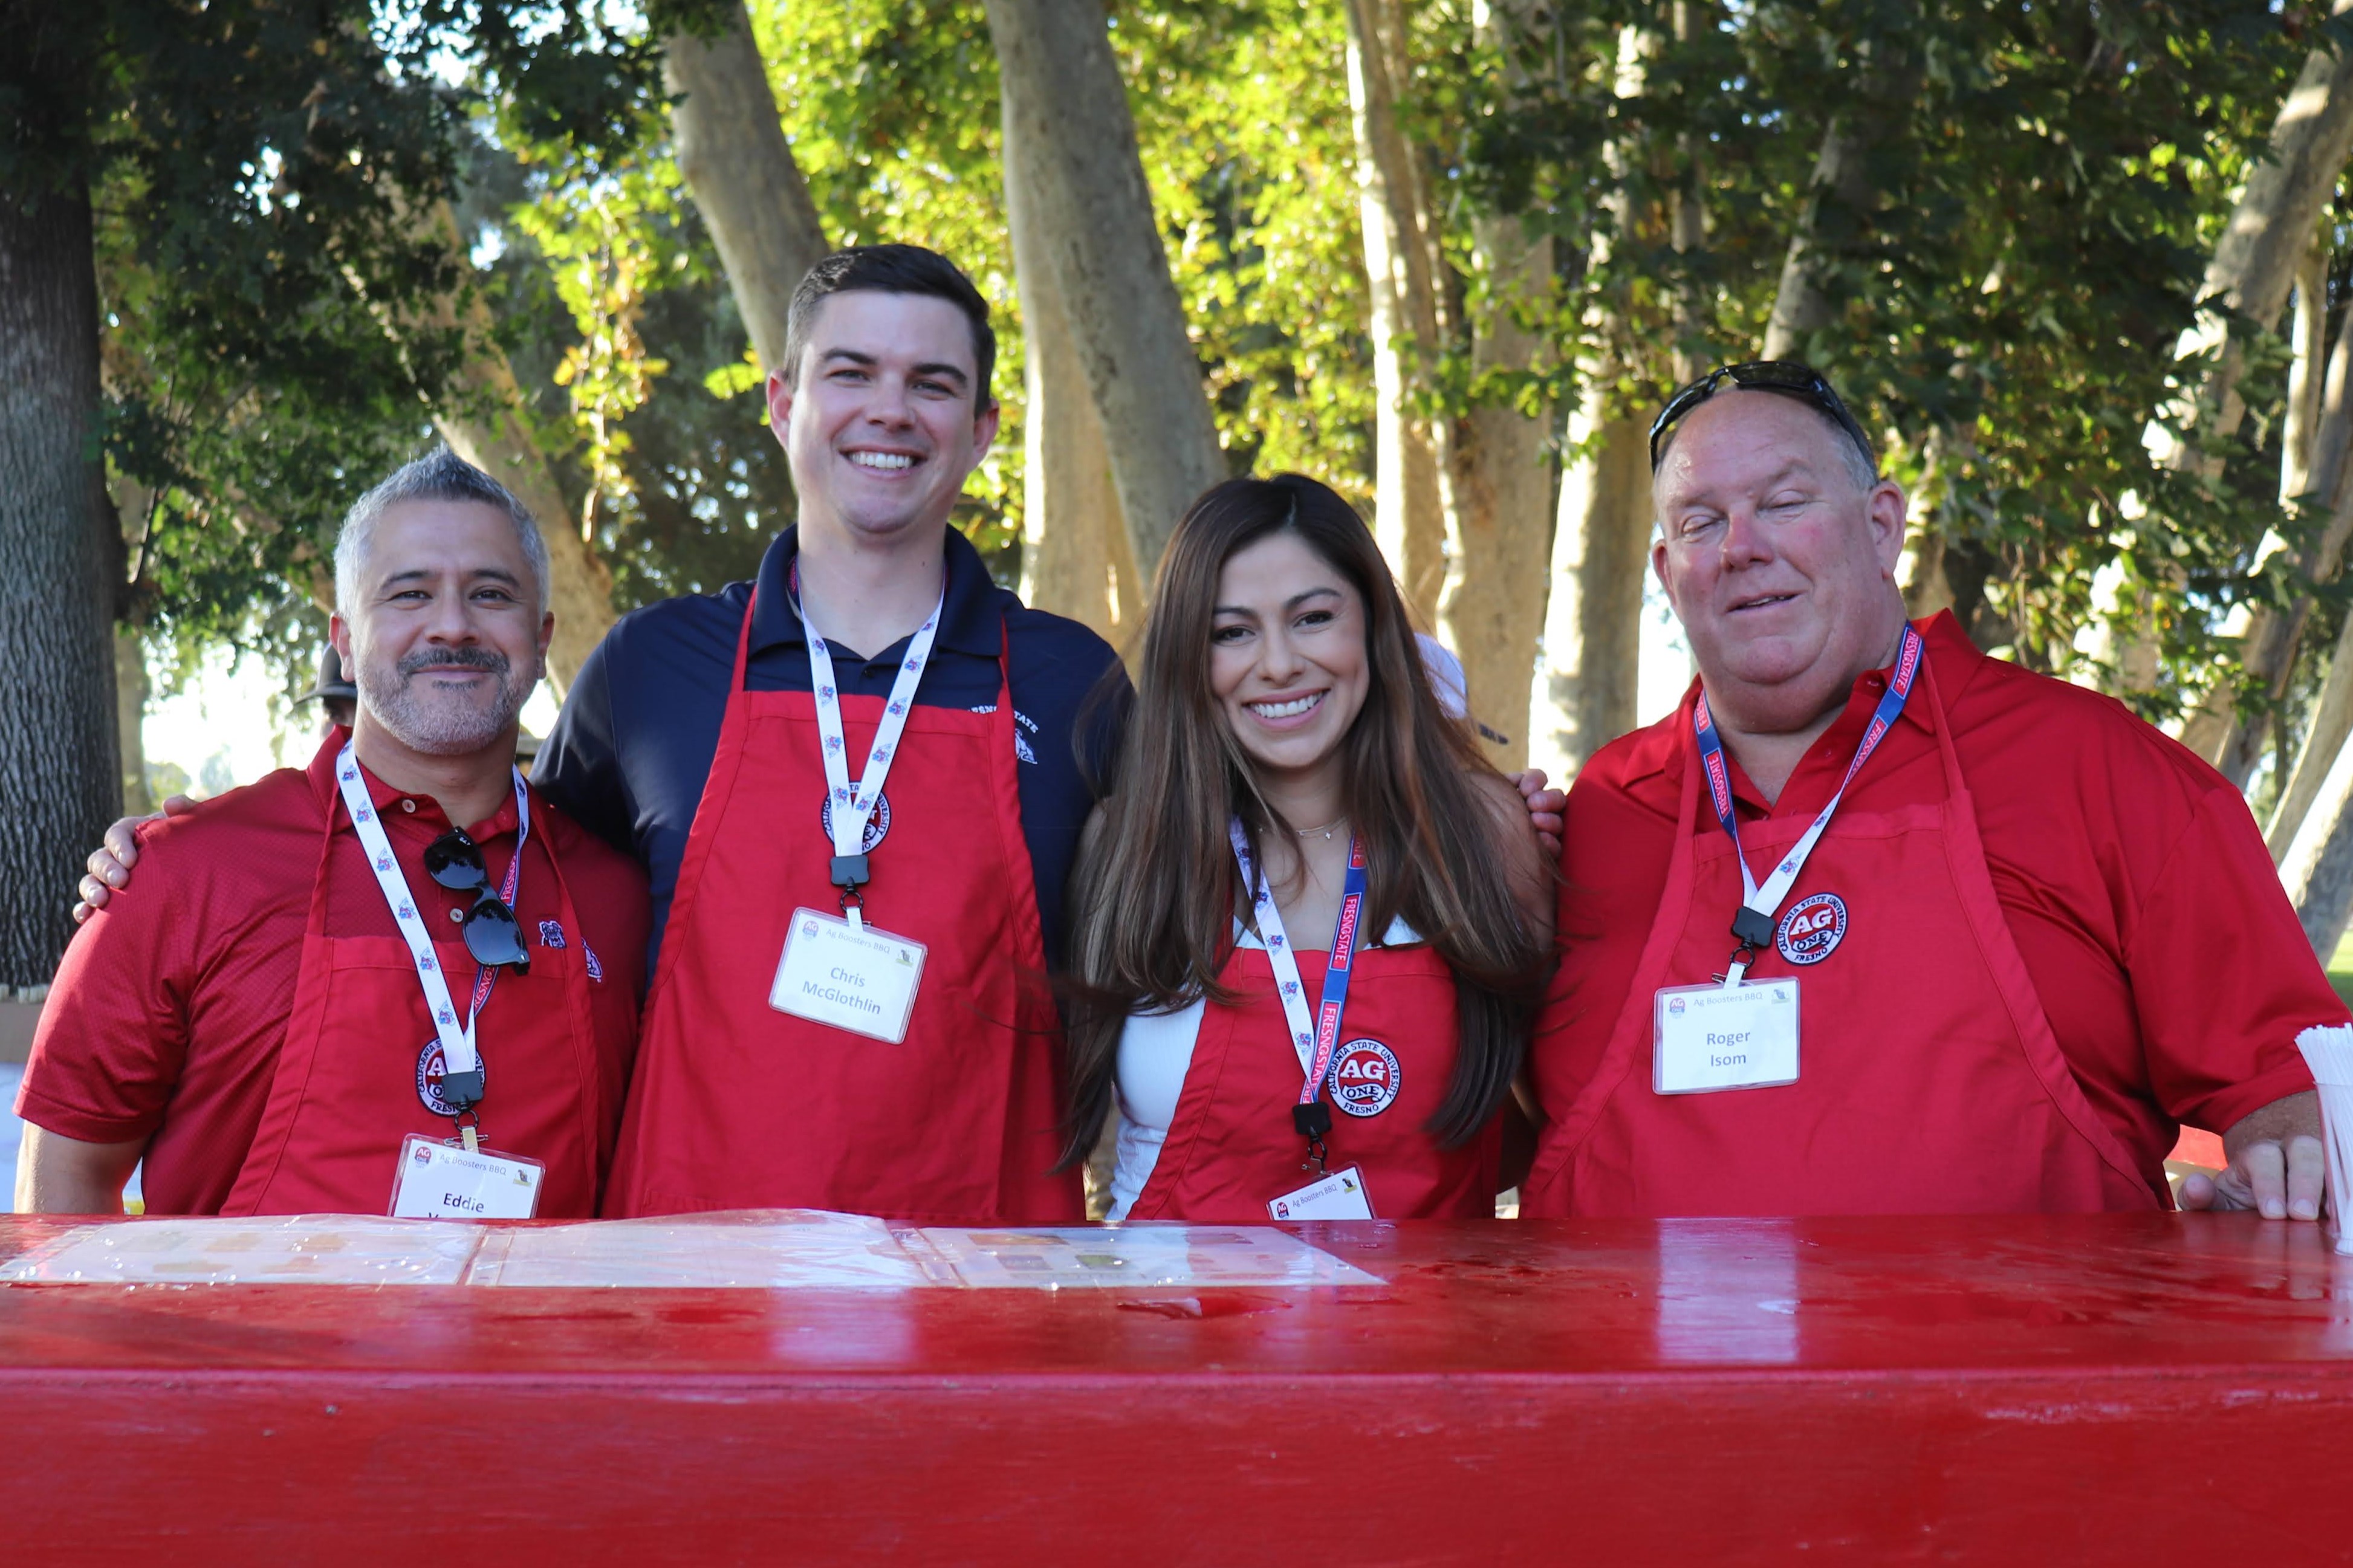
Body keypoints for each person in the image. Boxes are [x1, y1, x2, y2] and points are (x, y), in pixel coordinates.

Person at [74, 244, 1565, 1224]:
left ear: (982, 430)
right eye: (850, 373)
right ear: (784, 403)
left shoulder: (1073, 683)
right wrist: (190, 853)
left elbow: (1261, 812)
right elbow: (503, 864)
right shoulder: (651, 667)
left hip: (985, 1300)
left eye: (933, 383)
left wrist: (1491, 807)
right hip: (683, 1304)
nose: (887, 411)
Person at [1520, 360, 2343, 1222]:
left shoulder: (2092, 765)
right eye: (1701, 522)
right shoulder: (1599, 810)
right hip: (1625, 1319)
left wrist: (2287, 1153)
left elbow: (2295, 1084)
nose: (1741, 547)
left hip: (2019, 1317)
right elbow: (1478, 1117)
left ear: (1882, 526)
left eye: (1784, 503)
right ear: (1666, 571)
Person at [17, 450, 647, 1218]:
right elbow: (63, 1187)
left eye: (491, 593)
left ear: (542, 638)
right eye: (410, 593)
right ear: (344, 640)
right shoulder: (188, 872)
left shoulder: (616, 896)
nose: (453, 624)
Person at [1065, 476, 1552, 1222]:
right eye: (1232, 632)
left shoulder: (1482, 832)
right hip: (1170, 1296)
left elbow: (1553, 1121)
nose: (1279, 663)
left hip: (1436, 1300)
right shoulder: (1130, 844)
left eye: (1313, 618)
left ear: (1373, 627)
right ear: (1187, 657)